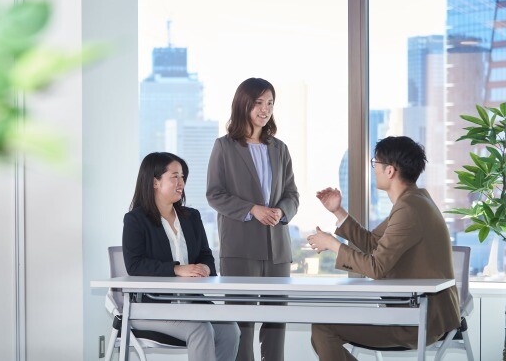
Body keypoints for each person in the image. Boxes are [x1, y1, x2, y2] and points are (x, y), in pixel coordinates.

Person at [307, 136, 460, 361]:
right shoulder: (414, 200)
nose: (374, 169)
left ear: (390, 171)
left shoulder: (409, 208)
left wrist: (332, 244)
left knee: (323, 328)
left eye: (375, 163)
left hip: (421, 320)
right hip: (417, 312)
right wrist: (338, 211)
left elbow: (376, 267)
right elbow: (373, 243)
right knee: (322, 328)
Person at [207, 78, 299, 361]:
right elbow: (214, 194)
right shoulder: (224, 147)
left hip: (277, 250)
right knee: (241, 325)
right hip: (240, 248)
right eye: (258, 102)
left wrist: (282, 211)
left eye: (270, 103)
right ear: (243, 104)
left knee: (276, 324)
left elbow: (292, 194)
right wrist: (252, 209)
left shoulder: (280, 148)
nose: (265, 109)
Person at [123, 152, 240, 361]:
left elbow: (206, 255)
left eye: (183, 177)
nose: (181, 183)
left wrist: (205, 267)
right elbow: (135, 265)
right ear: (155, 182)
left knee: (230, 329)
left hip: (192, 303)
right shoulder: (136, 220)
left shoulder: (191, 217)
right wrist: (177, 269)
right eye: (174, 176)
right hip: (150, 308)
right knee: (200, 330)